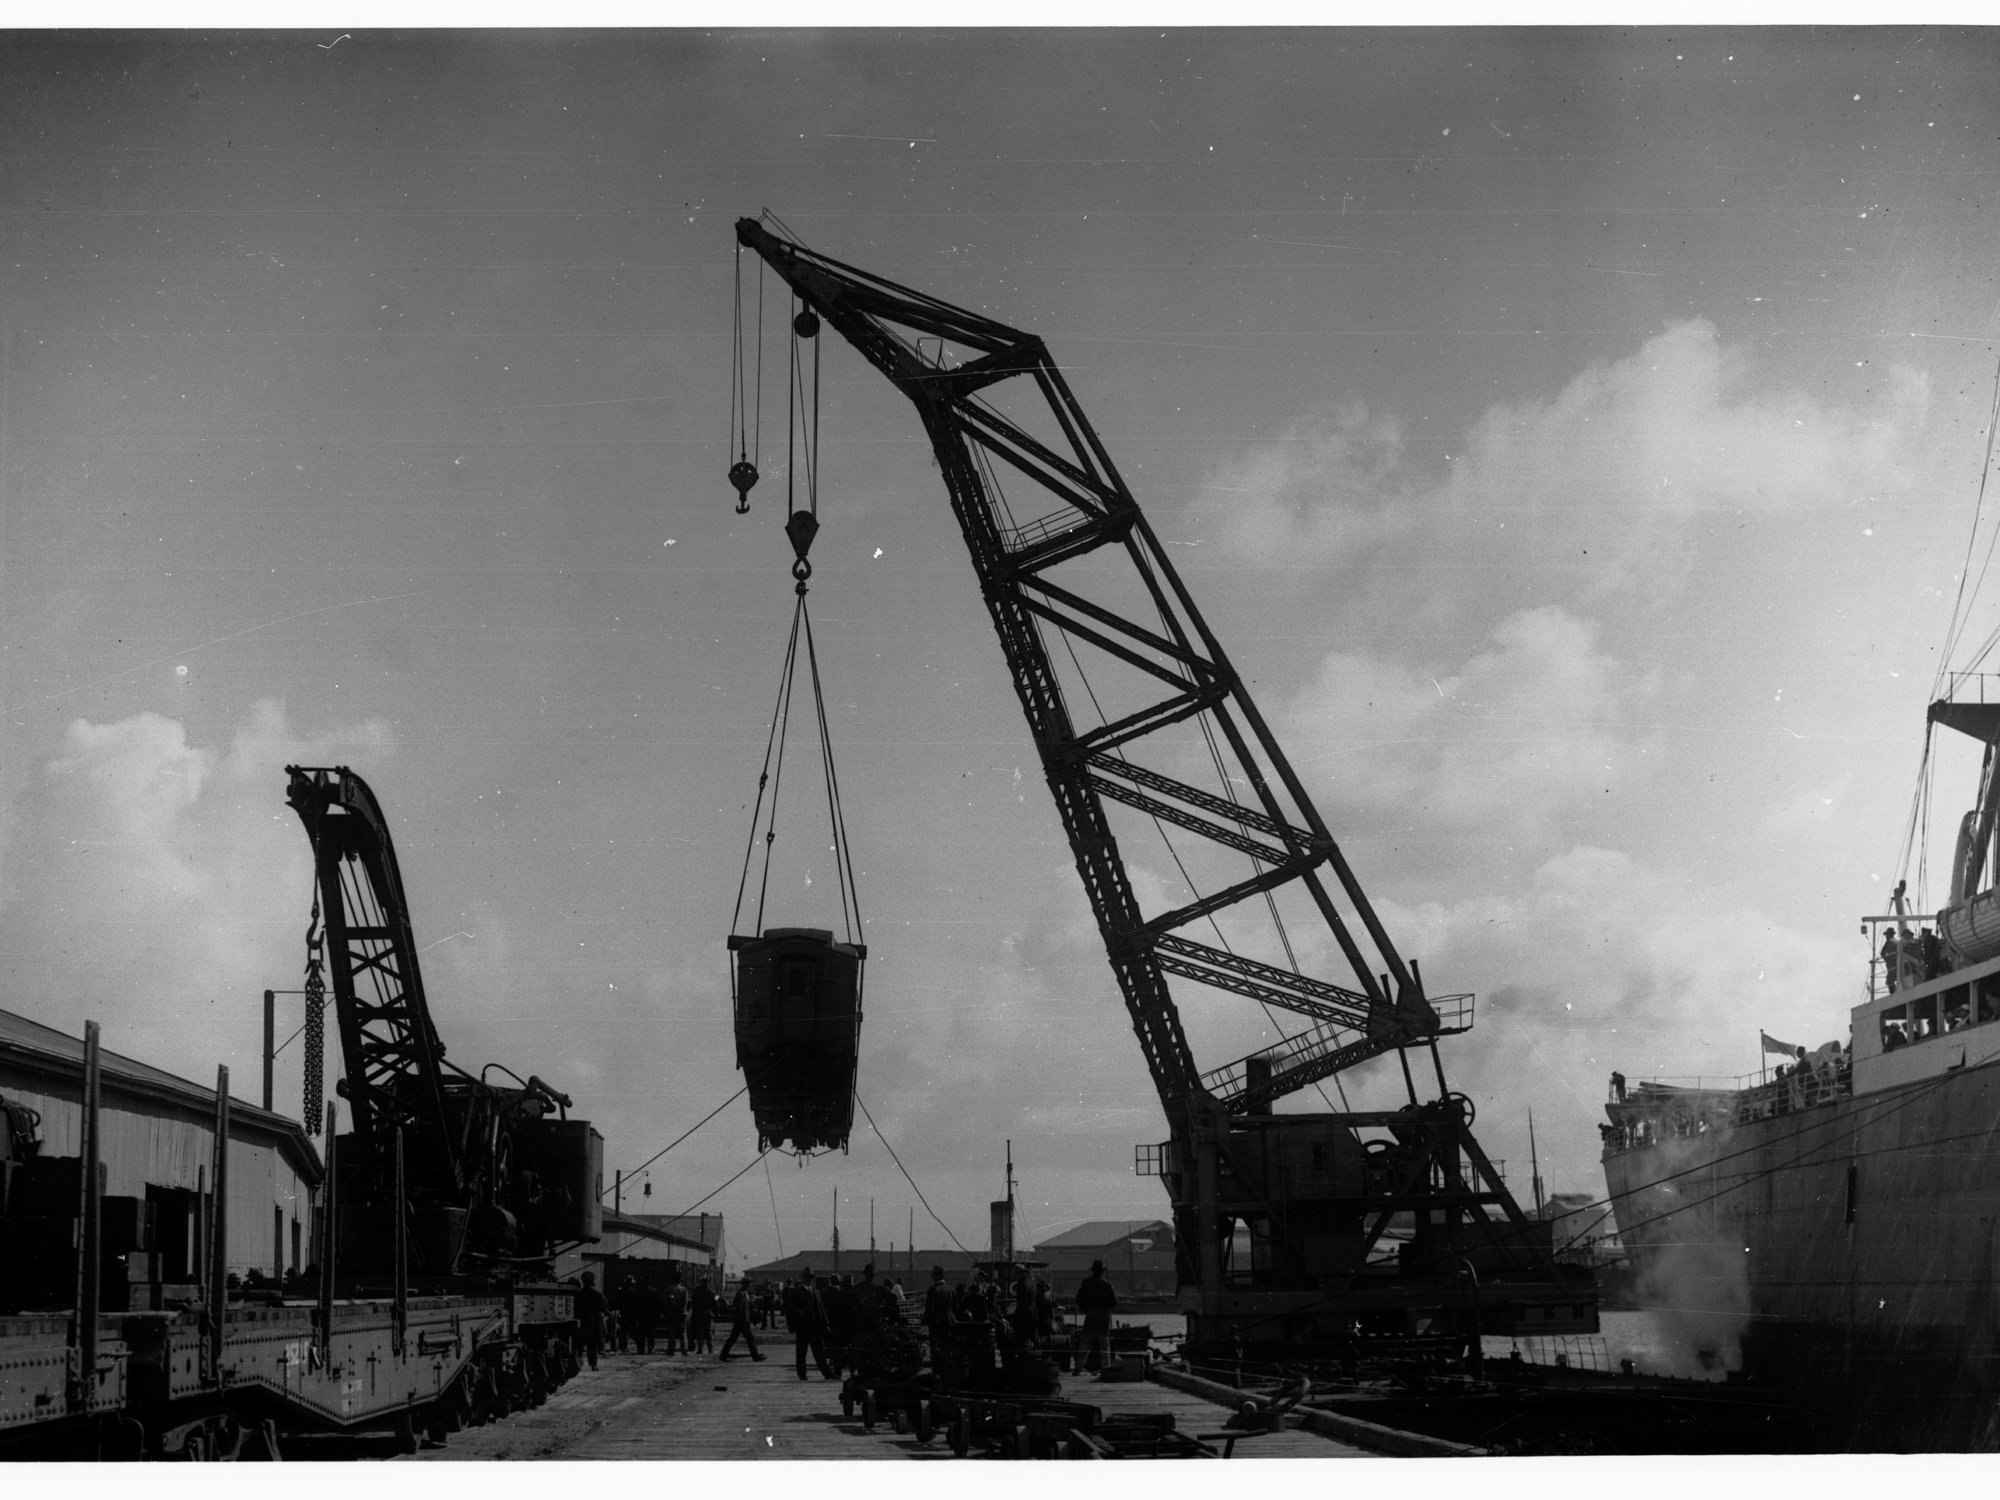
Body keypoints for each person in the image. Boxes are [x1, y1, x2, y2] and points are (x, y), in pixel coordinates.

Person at [784, 1266, 837, 1381]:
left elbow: (821, 1310)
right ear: (802, 1278)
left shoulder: (816, 1292)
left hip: (815, 1328)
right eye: (806, 1277)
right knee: (801, 1352)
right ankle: (802, 1374)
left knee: (820, 1353)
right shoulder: (796, 1292)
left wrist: (826, 1324)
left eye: (810, 1278)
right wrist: (799, 1313)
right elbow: (788, 1306)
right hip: (803, 1328)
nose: (808, 1280)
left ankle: (827, 1374)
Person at [1075, 1259, 1117, 1373]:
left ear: (1093, 1270)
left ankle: (1078, 1368)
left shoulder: (1086, 1283)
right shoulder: (1107, 1284)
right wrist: (1105, 1308)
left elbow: (1079, 1299)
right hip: (1103, 1316)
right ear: (1102, 1271)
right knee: (1104, 1344)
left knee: (1085, 1342)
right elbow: (1114, 1301)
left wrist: (1087, 1310)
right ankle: (1105, 1368)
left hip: (1091, 1315)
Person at [718, 1276, 767, 1361]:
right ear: (746, 1284)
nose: (750, 1285)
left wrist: (752, 1319)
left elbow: (749, 1309)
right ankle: (755, 1357)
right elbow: (739, 1309)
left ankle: (723, 1355)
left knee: (734, 1338)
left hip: (743, 1321)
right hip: (742, 1321)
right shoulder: (741, 1294)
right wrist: (741, 1320)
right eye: (749, 1284)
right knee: (749, 1339)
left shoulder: (745, 1294)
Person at [575, 1270, 608, 1371]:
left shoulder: (578, 1293)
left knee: (579, 1344)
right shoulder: (597, 1293)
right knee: (592, 1345)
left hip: (581, 1322)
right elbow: (604, 1307)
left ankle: (578, 1363)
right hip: (593, 1323)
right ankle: (593, 1365)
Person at [922, 1264, 954, 1355]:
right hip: (949, 1323)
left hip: (936, 1324)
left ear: (935, 1277)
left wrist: (924, 1321)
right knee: (947, 1348)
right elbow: (956, 1308)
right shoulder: (951, 1290)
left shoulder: (933, 1290)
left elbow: (929, 1309)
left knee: (936, 1351)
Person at [659, 1272, 686, 1355]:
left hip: (671, 1314)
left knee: (672, 1333)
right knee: (682, 1333)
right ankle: (684, 1350)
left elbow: (664, 1302)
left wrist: (667, 1311)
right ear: (680, 1279)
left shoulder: (667, 1290)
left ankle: (671, 1349)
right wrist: (682, 1311)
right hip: (680, 1314)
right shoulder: (683, 1290)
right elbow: (685, 1304)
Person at [689, 1274, 716, 1354]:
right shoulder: (711, 1292)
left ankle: (700, 1349)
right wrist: (716, 1314)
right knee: (709, 1332)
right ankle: (710, 1349)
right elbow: (714, 1304)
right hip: (708, 1314)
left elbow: (693, 1304)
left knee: (700, 1332)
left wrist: (693, 1314)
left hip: (699, 1314)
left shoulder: (697, 1291)